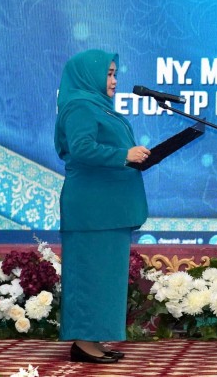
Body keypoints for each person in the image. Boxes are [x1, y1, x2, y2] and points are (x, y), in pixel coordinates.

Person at [55, 49, 151, 363]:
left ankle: (92, 340)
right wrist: (124, 155)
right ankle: (83, 344)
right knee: (89, 276)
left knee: (103, 278)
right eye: (108, 74)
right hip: (91, 210)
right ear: (89, 75)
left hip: (107, 210)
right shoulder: (80, 106)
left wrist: (133, 156)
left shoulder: (97, 106)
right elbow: (81, 148)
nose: (114, 80)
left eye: (114, 74)